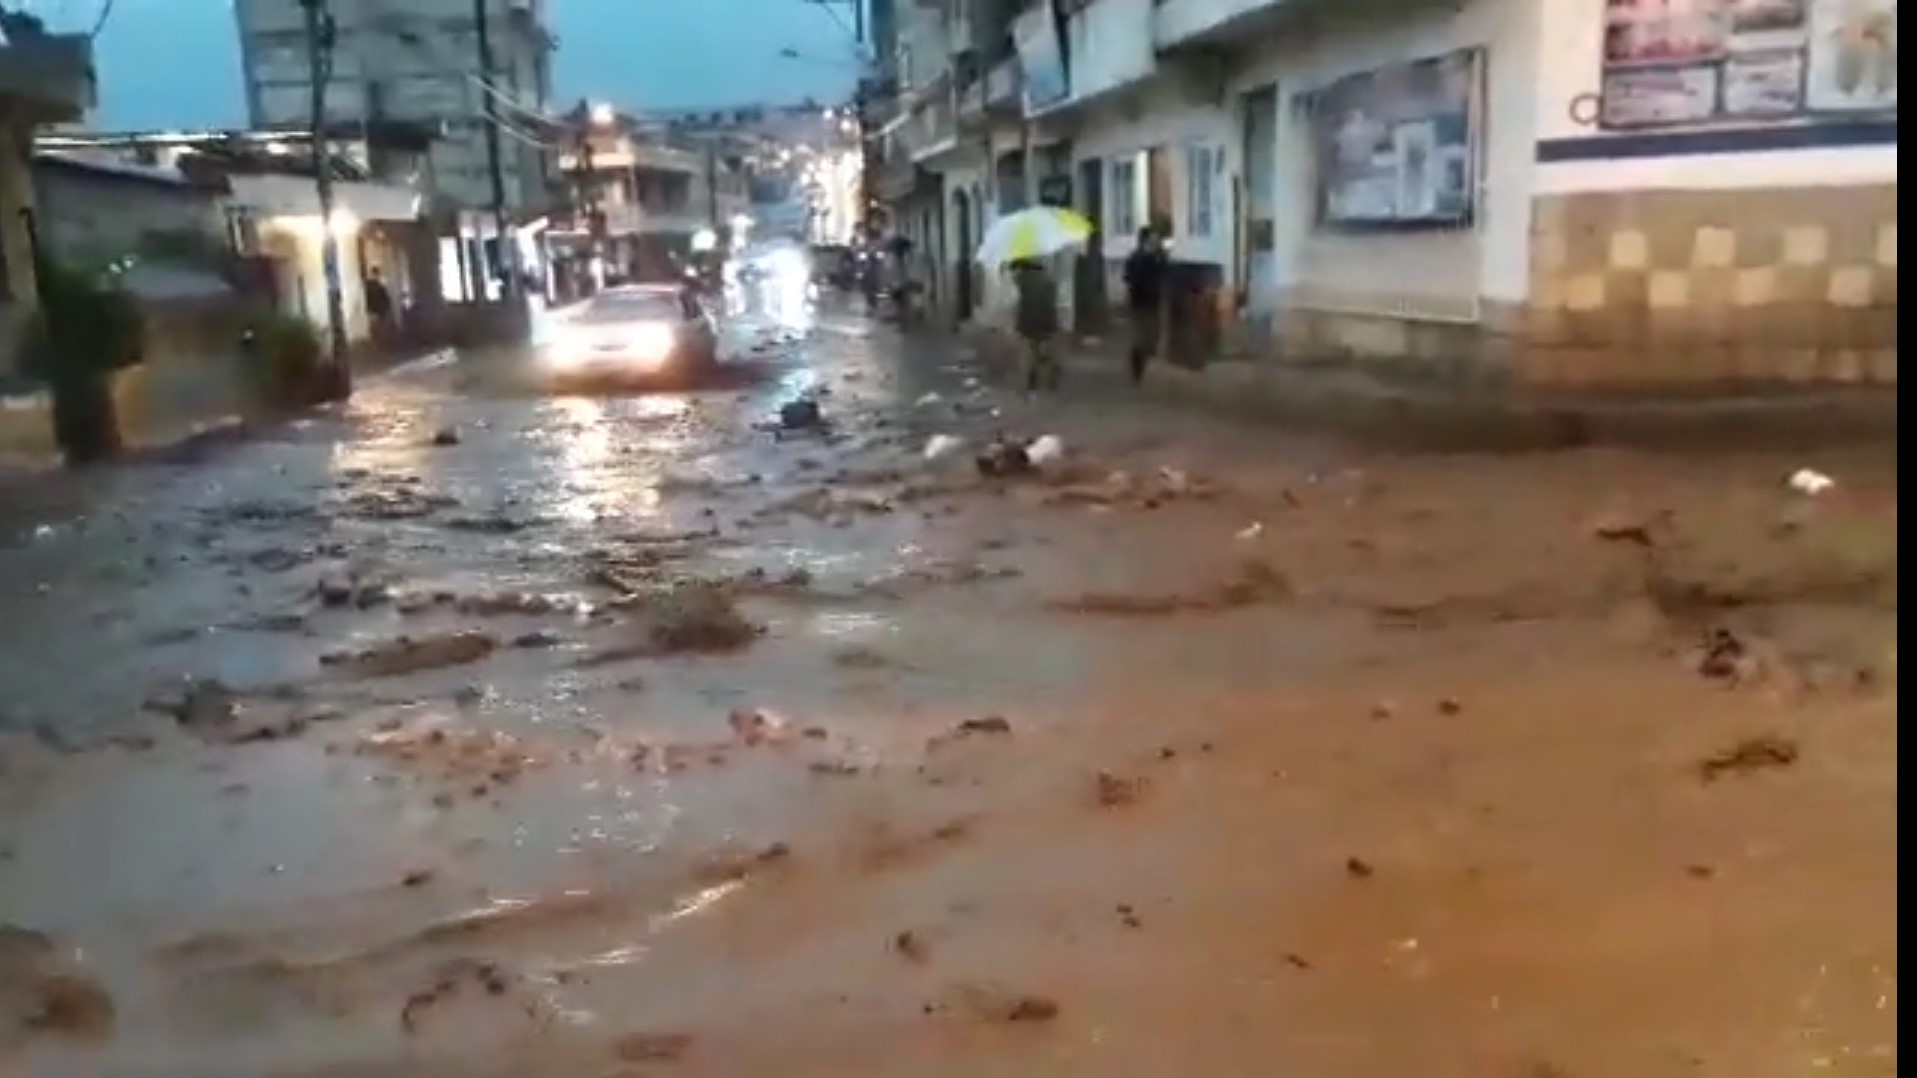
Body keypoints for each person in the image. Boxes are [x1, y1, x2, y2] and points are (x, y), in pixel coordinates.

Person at [1122, 227, 1169, 384]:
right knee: (1142, 337)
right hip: (1141, 302)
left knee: (1151, 337)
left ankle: (1140, 361)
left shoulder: (1156, 257)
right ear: (1145, 240)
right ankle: (1137, 367)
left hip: (1150, 302)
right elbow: (1129, 277)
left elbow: (1165, 274)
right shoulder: (1139, 257)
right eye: (1152, 240)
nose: (1155, 242)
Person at [1011, 258, 1061, 392]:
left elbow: (1017, 297)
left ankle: (1033, 375)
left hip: (1029, 319)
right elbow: (1054, 298)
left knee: (1030, 347)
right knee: (1044, 344)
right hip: (1047, 318)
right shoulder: (1049, 279)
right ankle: (1051, 370)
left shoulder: (1022, 279)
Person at [363, 268, 394, 345]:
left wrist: (368, 307)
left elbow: (368, 297)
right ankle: (381, 340)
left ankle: (378, 340)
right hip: (380, 306)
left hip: (375, 307)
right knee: (381, 324)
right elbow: (385, 295)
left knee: (377, 324)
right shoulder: (379, 283)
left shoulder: (370, 284)